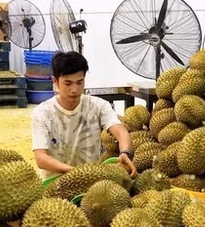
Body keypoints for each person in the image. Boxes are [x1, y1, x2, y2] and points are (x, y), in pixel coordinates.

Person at [31, 51, 136, 179]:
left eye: (79, 82)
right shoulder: (42, 113)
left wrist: (125, 152)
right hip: (55, 184)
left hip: (92, 182)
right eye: (68, 83)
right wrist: (76, 172)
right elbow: (41, 158)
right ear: (55, 81)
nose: (74, 89)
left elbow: (121, 132)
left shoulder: (98, 106)